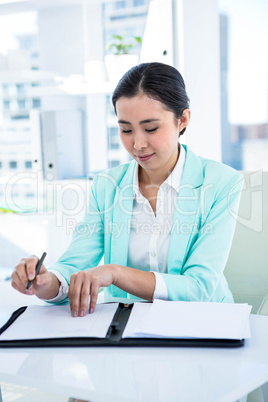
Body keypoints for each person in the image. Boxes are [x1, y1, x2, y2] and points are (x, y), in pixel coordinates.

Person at [11, 62, 243, 317]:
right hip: (127, 326)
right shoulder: (107, 186)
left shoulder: (223, 183)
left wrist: (115, 273)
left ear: (182, 120)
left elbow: (199, 287)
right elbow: (72, 265)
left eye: (151, 128)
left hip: (205, 322)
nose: (138, 144)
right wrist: (45, 283)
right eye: (126, 129)